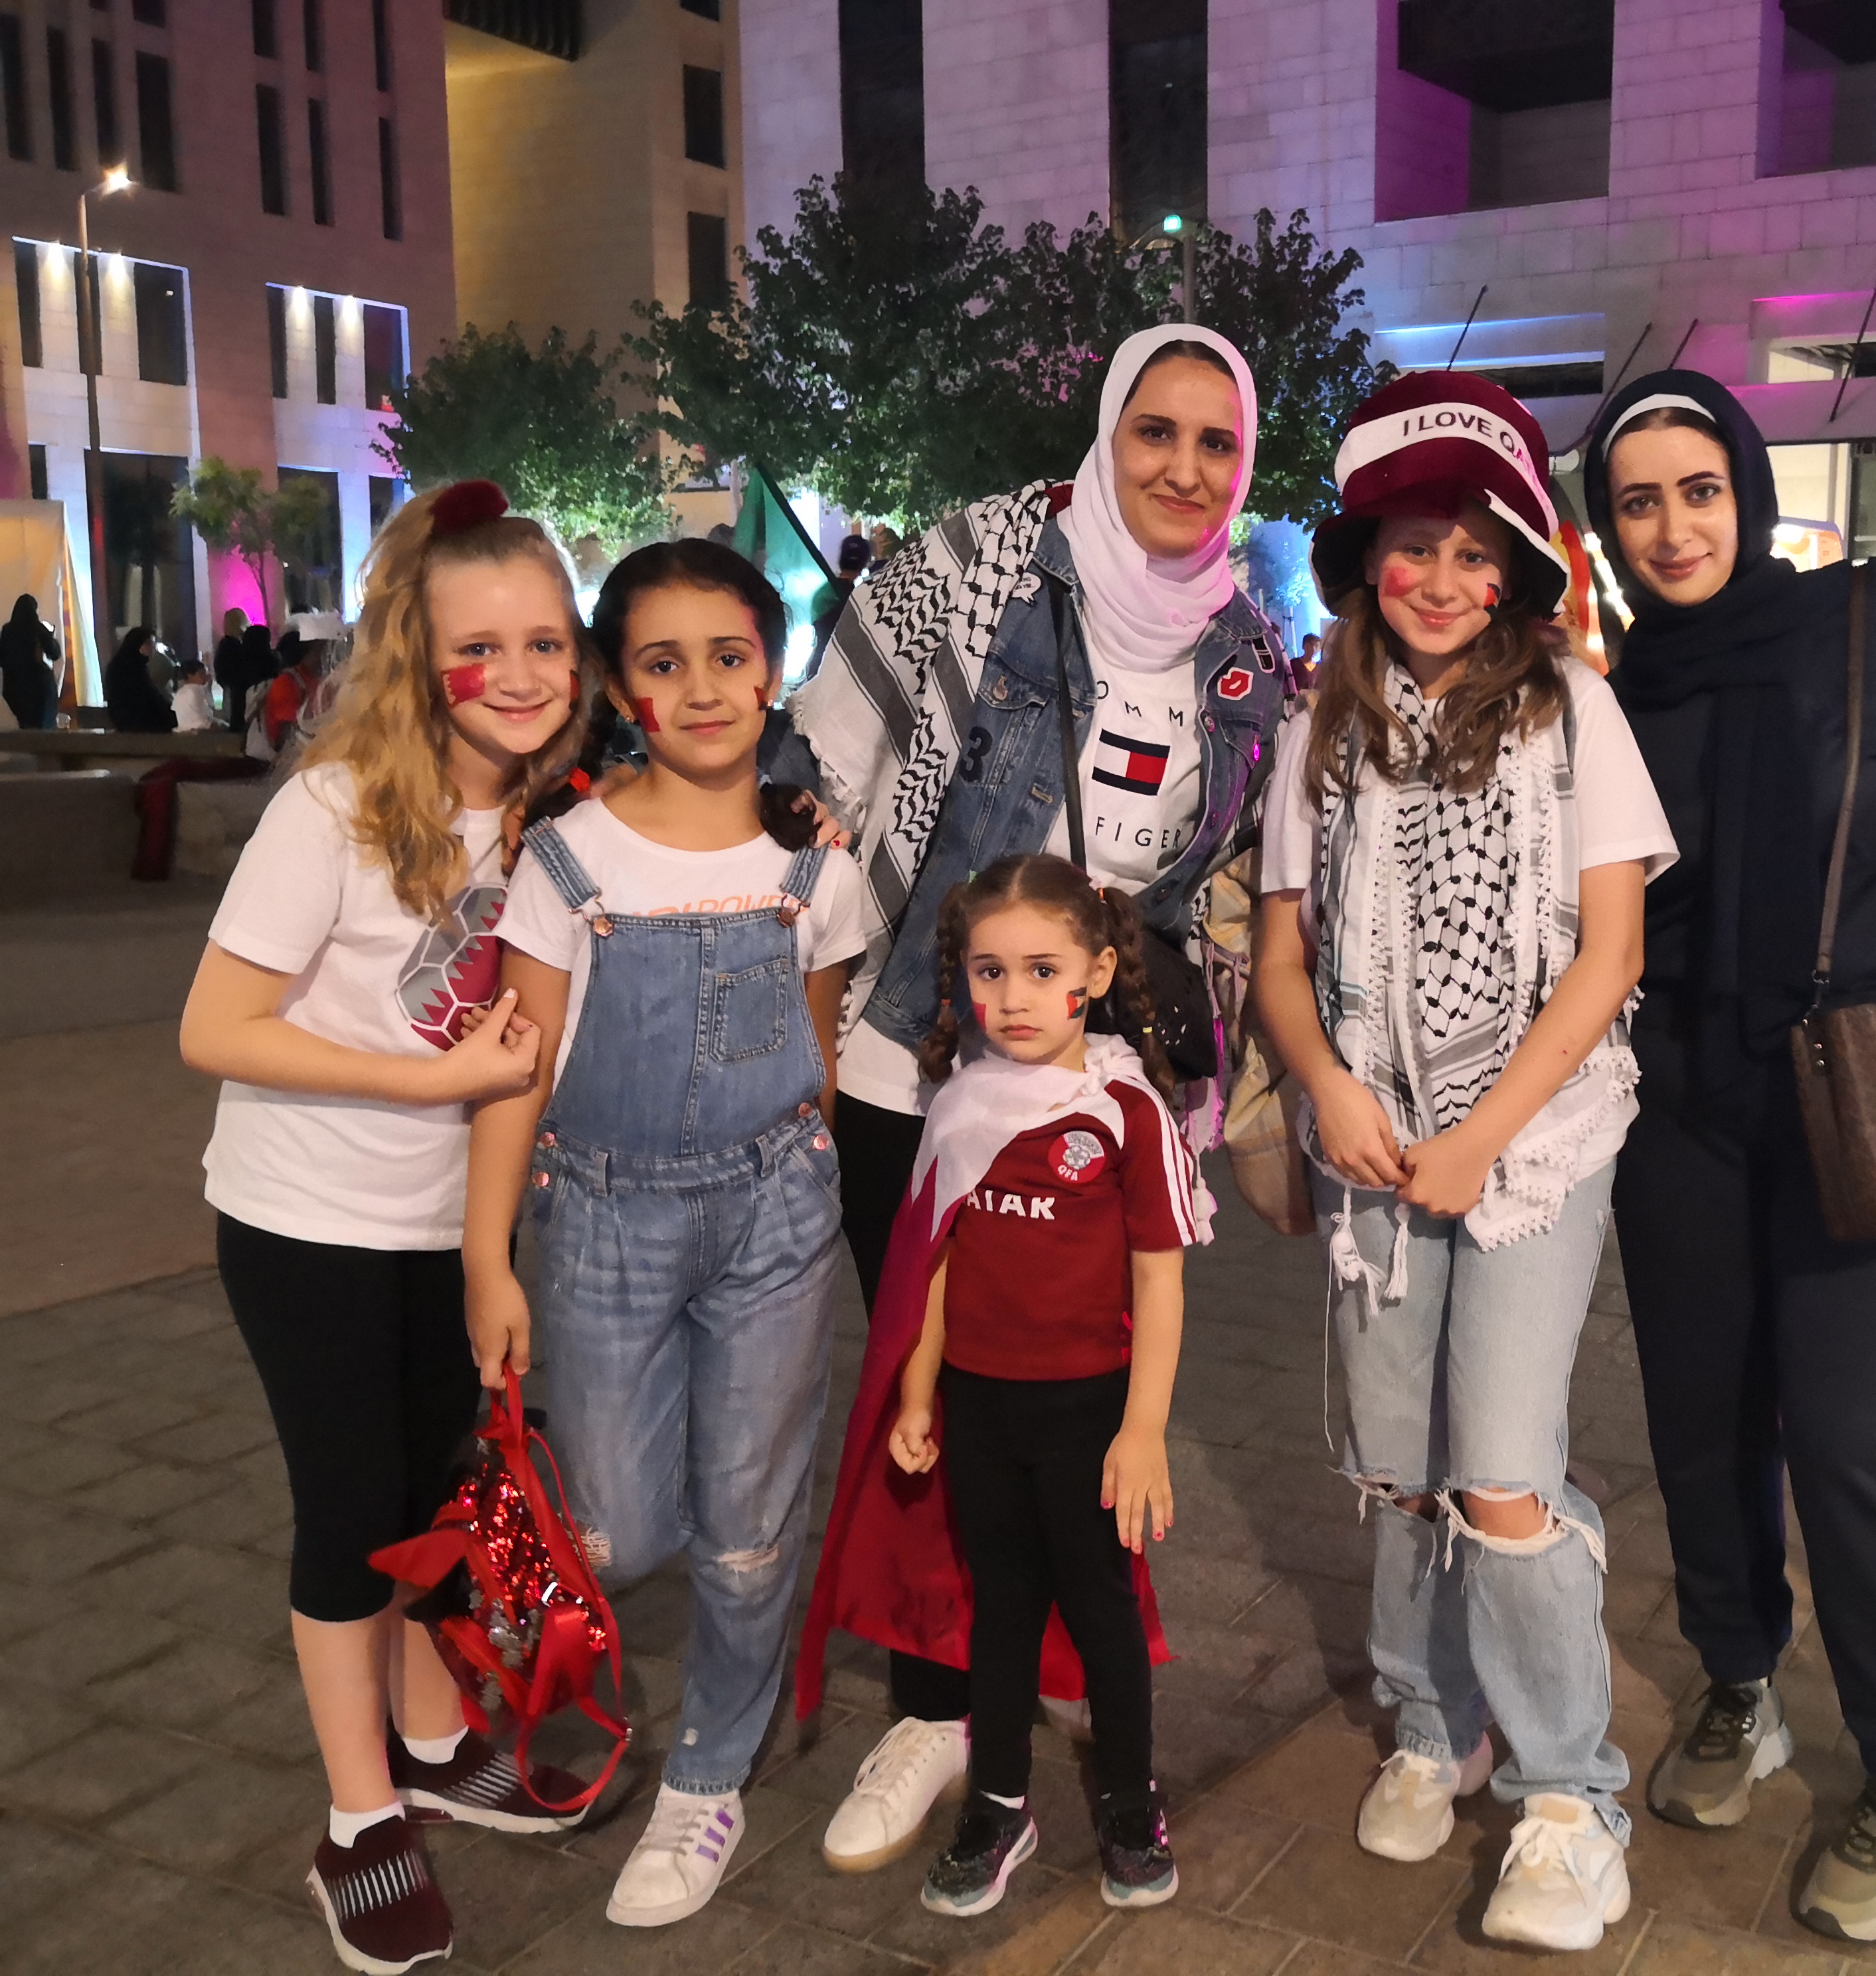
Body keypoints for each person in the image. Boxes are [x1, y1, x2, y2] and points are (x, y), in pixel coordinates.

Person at [789, 324, 1288, 1868]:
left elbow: (1217, 888)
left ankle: (1053, 1672)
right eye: (1155, 431)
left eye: (1215, 442)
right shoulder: (986, 562)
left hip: (1091, 1090)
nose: (1182, 468)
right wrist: (801, 1037)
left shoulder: (1244, 657)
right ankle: (936, 1715)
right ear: (1104, 431)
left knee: (1079, 1400)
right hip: (915, 1069)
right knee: (929, 1404)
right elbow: (828, 769)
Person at [1254, 372, 1674, 1954]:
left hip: (1531, 1155)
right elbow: (1280, 958)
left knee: (1499, 1468)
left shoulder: (1573, 710)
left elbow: (1607, 954)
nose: (1437, 577)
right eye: (1406, 545)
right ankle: (1433, 1722)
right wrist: (1323, 1090)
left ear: (1513, 565)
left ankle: (1568, 1793)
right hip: (1370, 1155)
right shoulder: (1324, 728)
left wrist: (1480, 1136)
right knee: (1397, 1462)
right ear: (1364, 561)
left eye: (1468, 546)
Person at [1579, 371, 1876, 1947]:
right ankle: (1738, 1682)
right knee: (1696, 1418)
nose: (1674, 526)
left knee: (1841, 1435)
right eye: (1637, 500)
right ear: (1605, 525)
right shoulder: (1612, 691)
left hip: (1861, 1081)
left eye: (1699, 489)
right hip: (1676, 1095)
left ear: (1746, 491)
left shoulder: (1860, 620)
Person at [175, 480, 593, 1976]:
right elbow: (213, 1026)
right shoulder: (335, 804)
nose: (525, 674)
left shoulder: (554, 815)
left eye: (548, 638)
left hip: (439, 1226)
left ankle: (424, 1732)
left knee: (434, 1493)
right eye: (483, 647)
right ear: (421, 657)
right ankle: (358, 1821)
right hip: (304, 1219)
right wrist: (427, 1072)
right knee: (351, 1517)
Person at [462, 538, 877, 1928]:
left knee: (750, 1530)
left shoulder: (814, 866)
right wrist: (487, 1261)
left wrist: (798, 1179)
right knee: (622, 1522)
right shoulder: (567, 859)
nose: (702, 688)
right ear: (619, 685)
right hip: (600, 1221)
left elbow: (814, 1057)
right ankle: (557, 1614)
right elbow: (520, 1067)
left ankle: (712, 1770)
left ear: (773, 669)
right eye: (662, 661)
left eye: (730, 656)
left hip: (774, 1215)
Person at [883, 854, 1209, 1917]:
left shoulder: (1123, 1112)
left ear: (1099, 970)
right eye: (988, 972)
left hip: (1088, 1415)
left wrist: (1145, 1428)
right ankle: (999, 1800)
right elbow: (929, 1266)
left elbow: (1160, 1281)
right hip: (980, 1409)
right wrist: (920, 1396)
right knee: (1004, 1608)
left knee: (1103, 1612)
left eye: (1040, 969)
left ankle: (1128, 1799)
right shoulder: (956, 1105)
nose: (1012, 998)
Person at [0, 593, 60, 729]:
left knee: (26, 726)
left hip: (14, 689)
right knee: (42, 729)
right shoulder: (37, 628)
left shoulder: (7, 631)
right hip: (39, 690)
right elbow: (55, 653)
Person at [106, 625, 179, 733]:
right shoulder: (128, 668)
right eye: (148, 643)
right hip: (135, 721)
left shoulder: (135, 665)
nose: (152, 647)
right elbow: (143, 696)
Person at [173, 653, 220, 732]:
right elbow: (202, 720)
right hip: (199, 731)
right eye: (201, 674)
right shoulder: (195, 691)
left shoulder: (182, 692)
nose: (205, 676)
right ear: (190, 676)